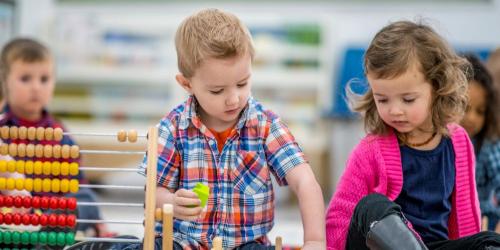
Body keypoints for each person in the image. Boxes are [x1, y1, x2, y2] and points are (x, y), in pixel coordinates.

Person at [136, 8, 325, 250]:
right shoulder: (172, 129)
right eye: (217, 90)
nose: (234, 99)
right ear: (187, 84)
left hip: (246, 245)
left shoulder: (265, 126)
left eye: (242, 83)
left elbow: (305, 182)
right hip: (183, 243)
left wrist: (315, 241)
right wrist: (171, 201)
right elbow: (152, 193)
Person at [325, 21, 500, 250]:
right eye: (382, 99)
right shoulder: (370, 150)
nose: (395, 110)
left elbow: (466, 215)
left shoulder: (458, 141)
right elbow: (339, 216)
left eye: (408, 99)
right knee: (372, 206)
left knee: (488, 241)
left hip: (434, 245)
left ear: (436, 88)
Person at [0, 37, 113, 237]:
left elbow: (77, 181)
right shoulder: (2, 128)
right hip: (11, 214)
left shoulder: (59, 134)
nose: (36, 87)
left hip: (52, 216)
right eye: (25, 78)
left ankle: (50, 232)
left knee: (86, 197)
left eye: (44, 79)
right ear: (4, 82)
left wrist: (98, 223)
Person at [461, 54, 500, 232]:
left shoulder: (487, 146)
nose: (472, 118)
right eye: (465, 107)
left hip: (485, 221)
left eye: (480, 111)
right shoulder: (439, 144)